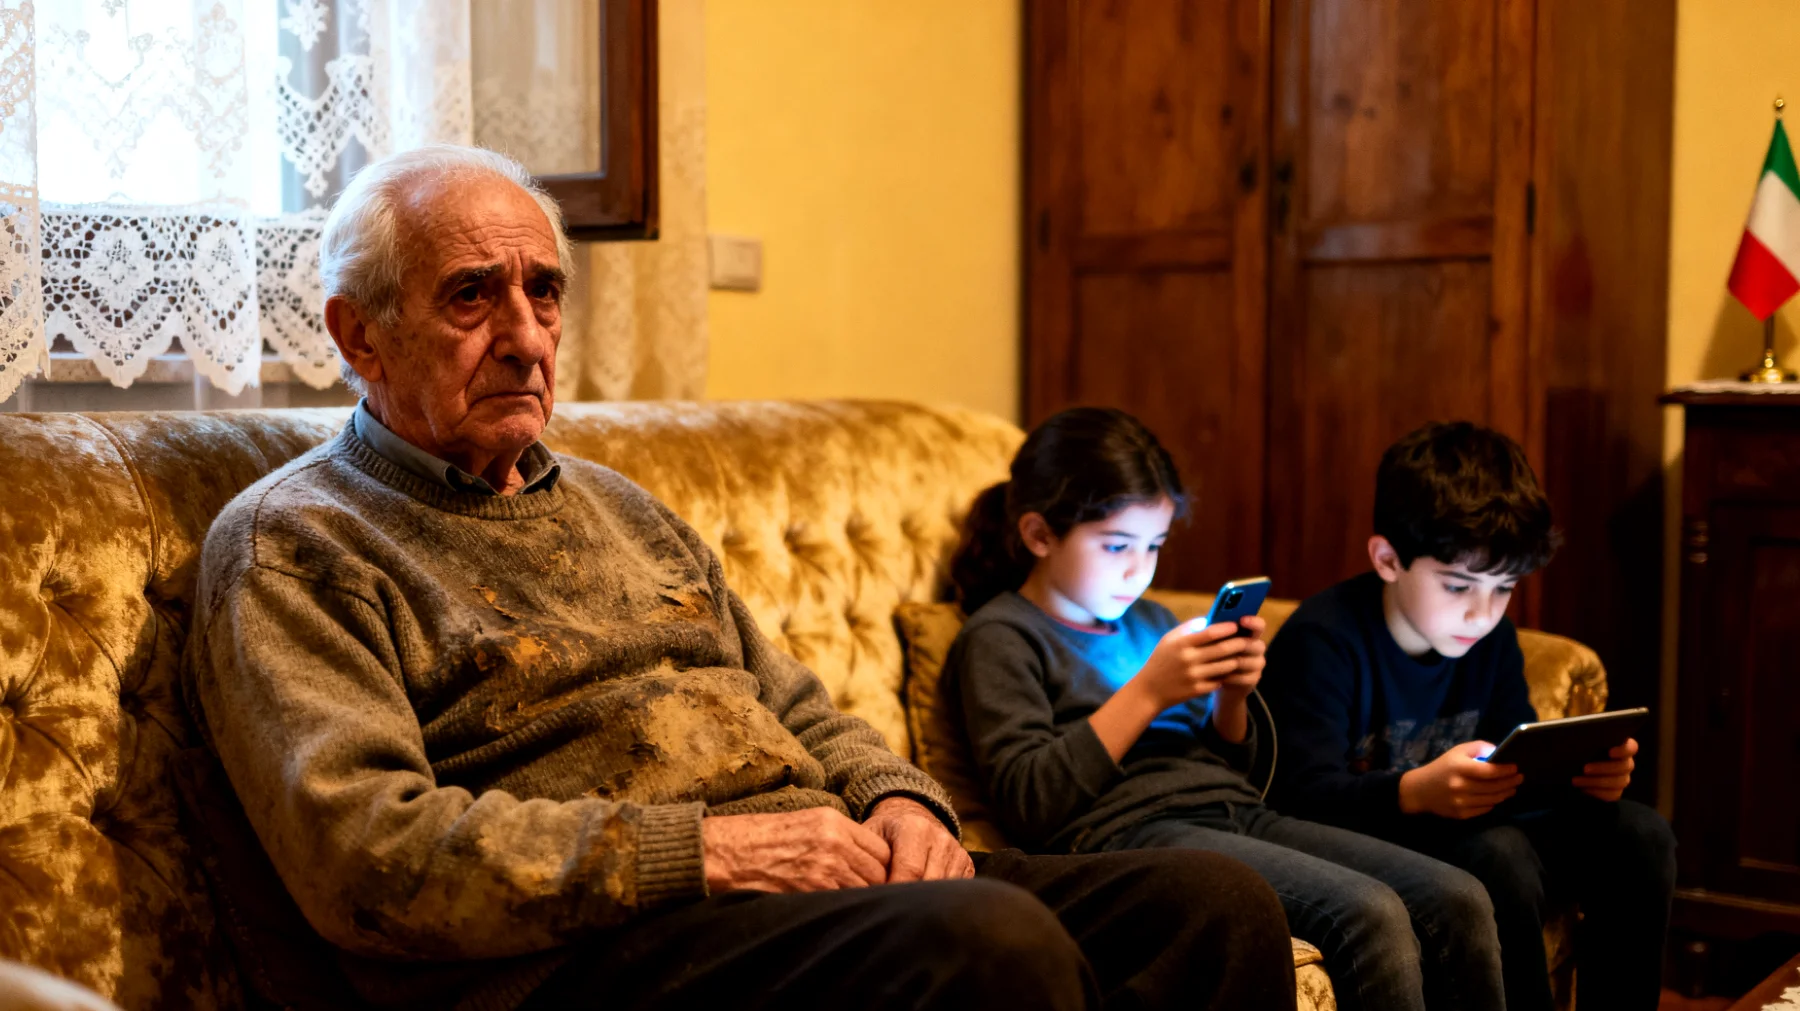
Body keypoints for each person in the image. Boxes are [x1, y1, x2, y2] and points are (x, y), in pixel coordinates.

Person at [180, 144, 1296, 1011]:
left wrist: (901, 800)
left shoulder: (619, 505)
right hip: (588, 957)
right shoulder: (298, 542)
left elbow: (799, 706)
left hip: (806, 898)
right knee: (986, 943)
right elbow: (368, 857)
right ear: (359, 336)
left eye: (545, 292)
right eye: (473, 295)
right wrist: (711, 852)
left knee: (1212, 905)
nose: (526, 337)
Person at [943, 406, 1505, 1011]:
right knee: (1369, 914)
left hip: (1236, 810)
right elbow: (1030, 801)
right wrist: (1149, 692)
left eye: (1154, 545)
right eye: (1116, 545)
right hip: (1130, 832)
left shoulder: (1152, 620)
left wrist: (1231, 695)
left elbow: (1235, 768)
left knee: (1458, 896)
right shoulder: (1002, 635)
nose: (1139, 569)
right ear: (1039, 535)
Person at [1261, 420, 1677, 1011]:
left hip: (1479, 823)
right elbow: (1295, 799)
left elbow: (1518, 760)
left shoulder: (1491, 640)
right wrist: (1413, 792)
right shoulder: (1323, 639)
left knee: (1640, 834)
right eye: (1458, 586)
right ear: (1388, 559)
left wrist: (1582, 778)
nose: (1482, 613)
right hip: (1378, 837)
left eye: (1503, 587)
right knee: (1500, 854)